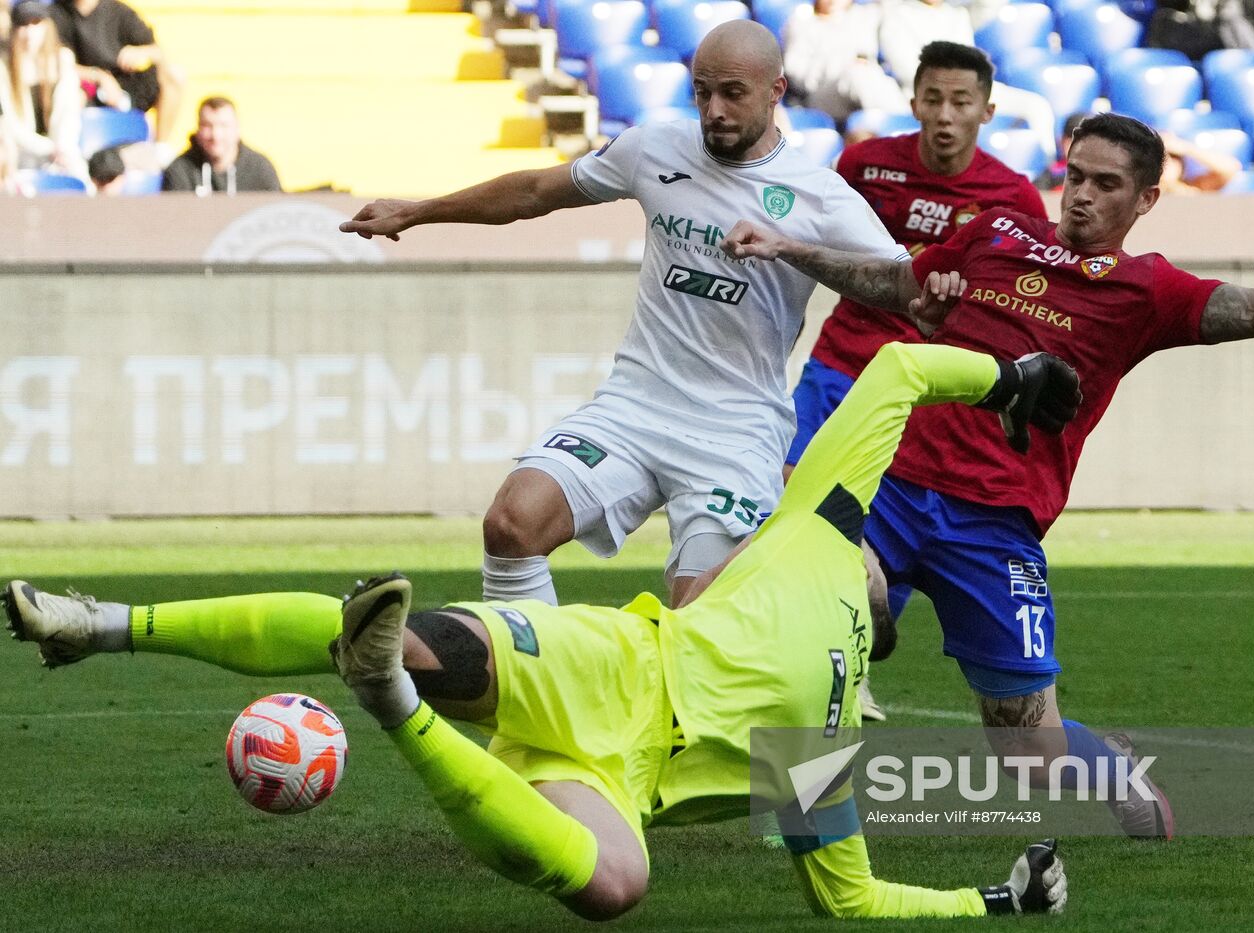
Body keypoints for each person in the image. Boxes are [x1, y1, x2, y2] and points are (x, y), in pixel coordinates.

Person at [6, 342, 1077, 920]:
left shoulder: (826, 727)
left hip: (611, 776)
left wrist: (989, 904)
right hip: (608, 667)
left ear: (881, 627)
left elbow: (849, 901)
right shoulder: (817, 539)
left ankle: (388, 704)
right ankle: (96, 624)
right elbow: (897, 373)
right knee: (427, 640)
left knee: (616, 885)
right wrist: (1008, 376)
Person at [720, 98, 1254, 838]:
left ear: (1147, 199)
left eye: (1106, 185)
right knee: (826, 599)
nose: (1084, 197)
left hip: (995, 524)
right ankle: (798, 800)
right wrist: (788, 248)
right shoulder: (995, 233)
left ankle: (1108, 765)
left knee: (1029, 750)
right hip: (894, 485)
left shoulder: (1148, 290)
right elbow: (897, 287)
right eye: (1076, 177)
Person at [339, 21, 914, 610]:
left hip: (735, 430)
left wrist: (792, 249)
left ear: (775, 91)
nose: (713, 110)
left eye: (732, 94)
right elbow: (535, 191)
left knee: (700, 607)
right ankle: (536, 680)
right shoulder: (655, 149)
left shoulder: (819, 194)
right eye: (701, 91)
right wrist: (420, 210)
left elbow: (903, 288)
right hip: (635, 406)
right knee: (513, 523)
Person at [790, 40, 1048, 720]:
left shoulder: (1013, 197)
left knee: (879, 525)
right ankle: (800, 666)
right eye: (932, 98)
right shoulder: (866, 164)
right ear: (913, 102)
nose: (945, 115)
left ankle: (853, 661)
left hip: (921, 390)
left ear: (987, 111)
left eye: (961, 101)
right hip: (841, 366)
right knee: (792, 514)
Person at [875, 11, 1058, 159]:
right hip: (930, 94)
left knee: (1036, 105)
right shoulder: (895, 15)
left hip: (970, 89)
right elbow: (908, 71)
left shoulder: (958, 13)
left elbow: (987, 6)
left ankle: (1048, 170)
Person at [48, 0, 185, 148]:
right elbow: (52, 64)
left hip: (127, 85)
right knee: (69, 92)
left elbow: (158, 52)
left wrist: (141, 52)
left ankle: (160, 149)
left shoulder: (119, 11)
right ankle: (65, 152)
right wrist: (100, 77)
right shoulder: (55, 14)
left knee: (174, 75)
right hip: (88, 87)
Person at [782, 0, 908, 125]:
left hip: (867, 88)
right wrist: (841, 65)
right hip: (823, 95)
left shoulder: (866, 14)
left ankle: (905, 122)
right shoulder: (803, 21)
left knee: (868, 75)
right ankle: (907, 123)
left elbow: (895, 6)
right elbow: (797, 75)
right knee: (859, 75)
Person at [0, 0, 86, 178]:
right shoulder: (4, 69)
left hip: (62, 154)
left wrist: (61, 149)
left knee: (79, 177)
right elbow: (9, 123)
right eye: (23, 25)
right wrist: (48, 148)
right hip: (22, 155)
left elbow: (69, 115)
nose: (29, 32)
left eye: (36, 23)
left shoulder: (63, 61)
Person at [162, 96, 281, 194]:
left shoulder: (260, 170)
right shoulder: (180, 170)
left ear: (237, 129)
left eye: (224, 126)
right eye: (207, 126)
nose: (216, 135)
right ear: (198, 130)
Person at [1157, 131, 1243, 193]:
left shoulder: (1193, 188)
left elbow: (1232, 168)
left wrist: (1187, 148)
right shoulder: (1145, 196)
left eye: (1172, 156)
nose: (1166, 164)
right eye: (1159, 158)